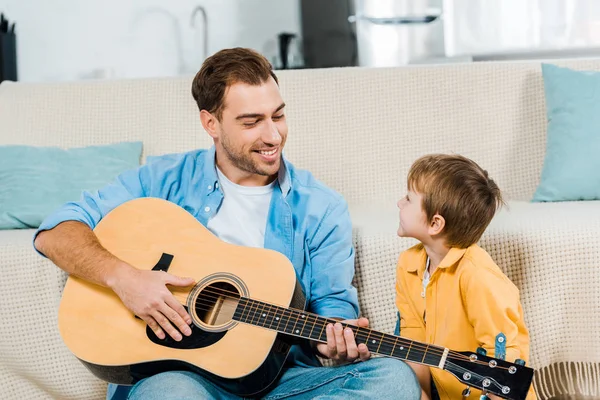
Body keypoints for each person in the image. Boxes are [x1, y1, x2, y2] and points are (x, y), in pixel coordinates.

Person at [34, 47, 420, 400]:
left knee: (394, 378)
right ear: (211, 123)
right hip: (181, 379)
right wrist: (125, 278)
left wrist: (333, 340)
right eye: (252, 121)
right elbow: (56, 232)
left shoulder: (323, 206)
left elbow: (332, 310)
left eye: (279, 115)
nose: (273, 135)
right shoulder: (161, 180)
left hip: (280, 382)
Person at [394, 154, 536, 400]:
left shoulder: (478, 277)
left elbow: (502, 359)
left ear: (435, 224)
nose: (399, 203)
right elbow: (412, 343)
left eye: (408, 198)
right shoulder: (409, 265)